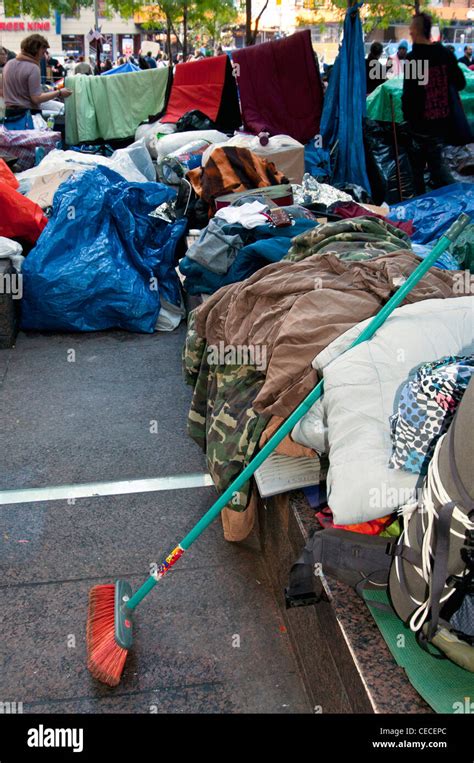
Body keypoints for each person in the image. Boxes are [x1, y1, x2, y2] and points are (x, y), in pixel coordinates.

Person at [402, 13, 466, 194]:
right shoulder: (444, 53)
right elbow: (460, 83)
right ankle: (450, 202)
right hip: (442, 123)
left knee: (419, 173)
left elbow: (410, 95)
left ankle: (456, 200)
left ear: (415, 31)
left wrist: (408, 122)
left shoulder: (414, 58)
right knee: (437, 167)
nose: (410, 32)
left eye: (411, 29)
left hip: (419, 126)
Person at [2, 34, 72, 118]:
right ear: (35, 50)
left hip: (9, 113)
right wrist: (59, 92)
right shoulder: (33, 68)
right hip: (28, 115)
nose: (43, 56)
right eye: (43, 52)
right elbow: (36, 98)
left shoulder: (9, 64)